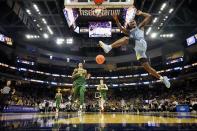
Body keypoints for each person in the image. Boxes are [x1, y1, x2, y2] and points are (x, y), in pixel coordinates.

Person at [99, 10, 170, 88]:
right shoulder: (129, 32)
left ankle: (109, 47)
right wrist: (116, 19)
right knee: (147, 67)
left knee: (126, 39)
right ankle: (162, 78)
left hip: (141, 43)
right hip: (138, 50)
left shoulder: (140, 27)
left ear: (136, 23)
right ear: (129, 24)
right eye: (131, 22)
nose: (132, 22)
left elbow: (149, 16)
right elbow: (121, 28)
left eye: (133, 21)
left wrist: (141, 13)